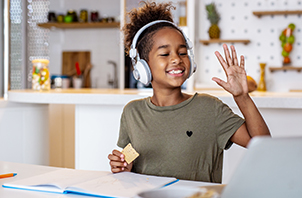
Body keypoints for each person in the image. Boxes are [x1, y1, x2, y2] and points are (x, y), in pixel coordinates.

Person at [108, 1, 270, 183]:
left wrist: (242, 97)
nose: (177, 59)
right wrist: (123, 168)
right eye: (165, 54)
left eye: (182, 52)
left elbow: (262, 145)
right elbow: (130, 165)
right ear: (142, 66)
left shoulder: (210, 108)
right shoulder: (132, 112)